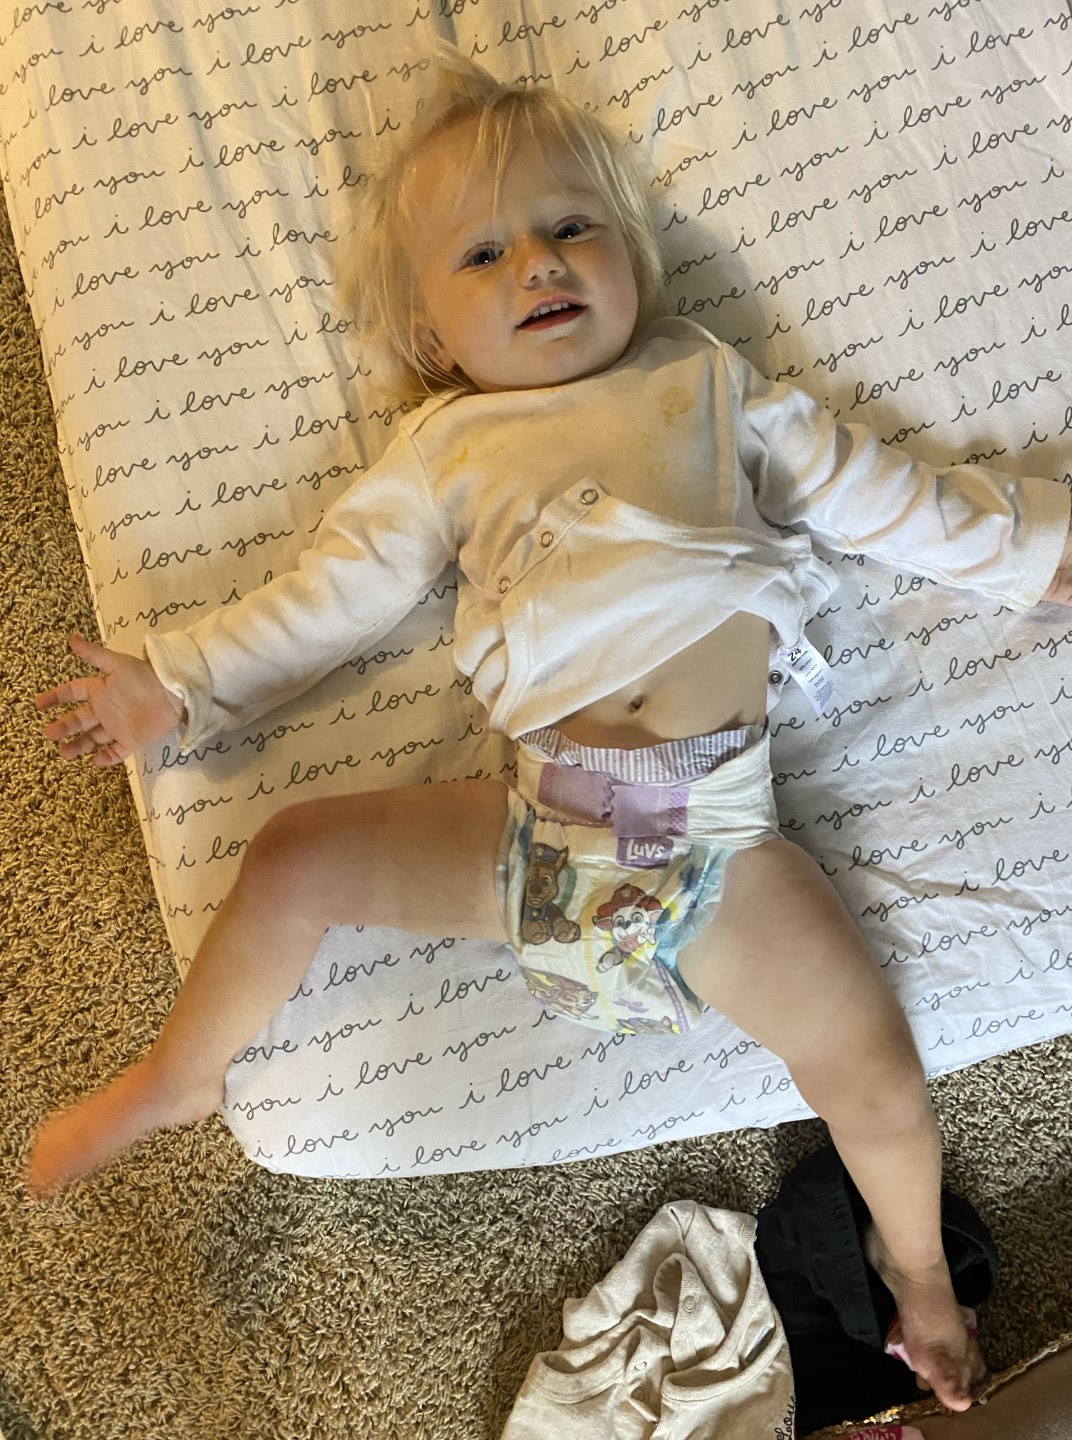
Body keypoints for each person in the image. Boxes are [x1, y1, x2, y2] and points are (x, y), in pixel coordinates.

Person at [27, 42, 1072, 1412]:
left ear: (632, 258)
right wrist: (181, 686)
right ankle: (182, 1071)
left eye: (572, 229)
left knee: (871, 1069)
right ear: (430, 339)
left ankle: (920, 1280)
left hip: (719, 844)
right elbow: (328, 602)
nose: (538, 265)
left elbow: (884, 496)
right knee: (289, 859)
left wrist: (1033, 553)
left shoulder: (706, 384)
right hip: (540, 828)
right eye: (485, 255)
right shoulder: (446, 451)